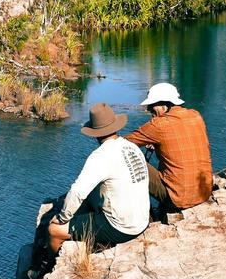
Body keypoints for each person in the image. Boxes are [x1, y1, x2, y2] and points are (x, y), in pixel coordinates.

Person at [45, 103, 151, 259]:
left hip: (122, 228)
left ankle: (46, 267)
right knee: (92, 192)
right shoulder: (132, 147)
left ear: (95, 133)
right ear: (116, 126)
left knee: (54, 231)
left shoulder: (101, 155)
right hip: (142, 220)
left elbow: (77, 191)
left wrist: (62, 218)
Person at [125, 82, 213, 213]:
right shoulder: (196, 115)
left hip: (178, 200)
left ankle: (141, 215)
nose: (149, 109)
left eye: (152, 105)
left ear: (165, 104)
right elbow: (179, 137)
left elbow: (120, 145)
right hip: (204, 192)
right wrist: (157, 142)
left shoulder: (158, 125)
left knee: (130, 161)